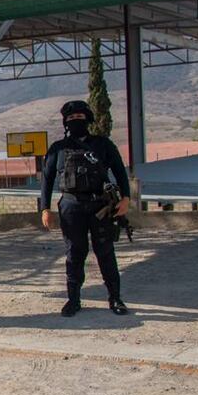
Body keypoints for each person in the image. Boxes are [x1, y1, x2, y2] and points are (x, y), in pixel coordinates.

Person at [40, 100, 131, 317]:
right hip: (71, 206)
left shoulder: (103, 145)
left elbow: (119, 171)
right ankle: (73, 300)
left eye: (79, 118)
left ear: (87, 119)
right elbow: (47, 179)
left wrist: (126, 198)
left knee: (105, 252)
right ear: (65, 122)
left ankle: (115, 298)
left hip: (100, 206)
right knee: (74, 253)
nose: (75, 122)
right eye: (70, 119)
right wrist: (45, 208)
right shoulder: (58, 149)